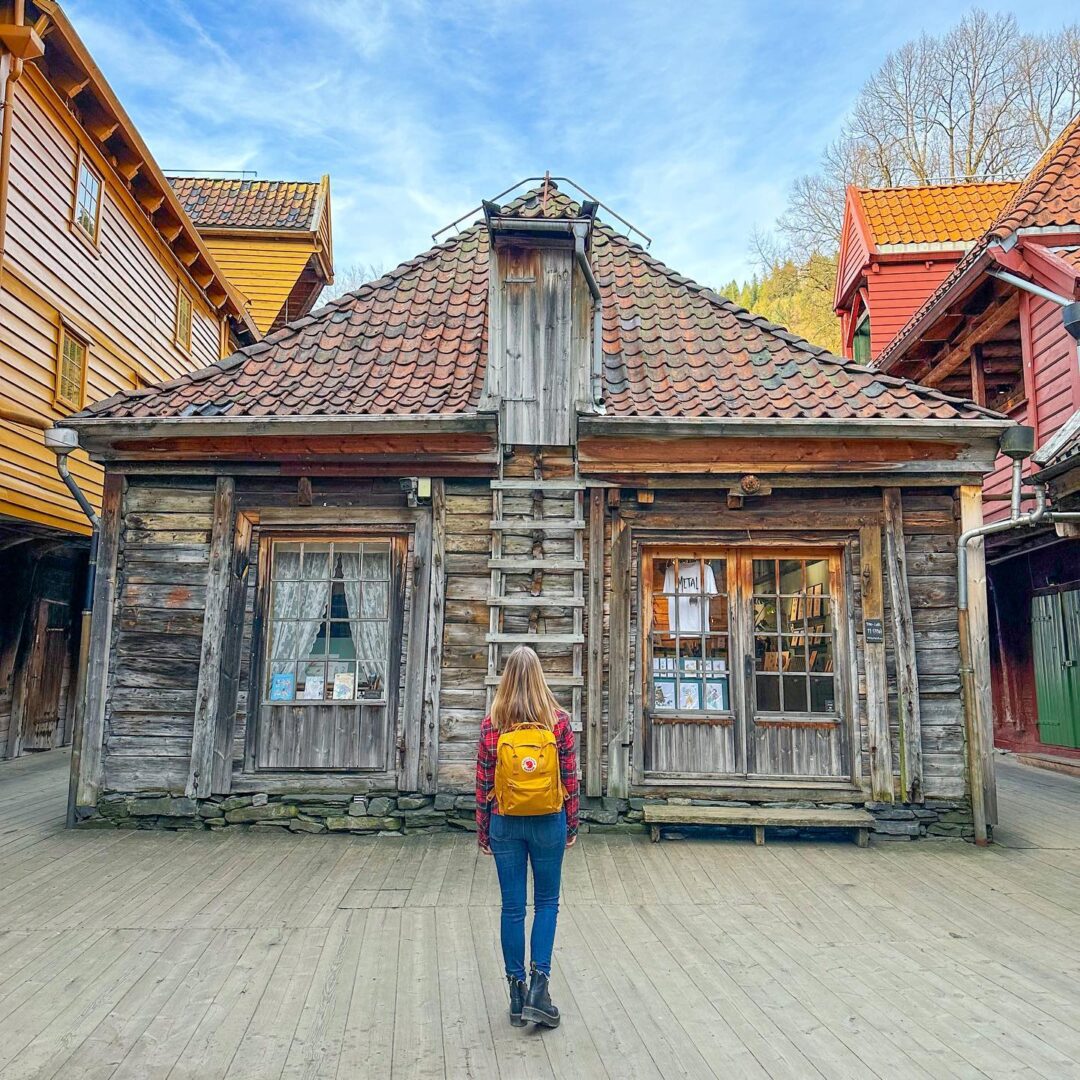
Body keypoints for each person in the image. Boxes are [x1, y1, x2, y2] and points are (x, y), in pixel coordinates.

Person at [476, 645, 579, 1029]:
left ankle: (516, 994)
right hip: (548, 820)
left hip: (505, 821)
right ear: (540, 677)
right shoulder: (559, 723)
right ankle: (540, 988)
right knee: (547, 902)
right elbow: (569, 779)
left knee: (512, 908)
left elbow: (484, 782)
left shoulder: (492, 724)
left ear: (505, 679)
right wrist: (570, 825)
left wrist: (484, 831)